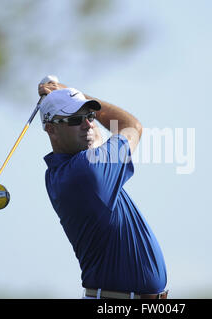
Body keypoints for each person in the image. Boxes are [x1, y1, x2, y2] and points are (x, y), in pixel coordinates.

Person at [38, 80, 168, 299]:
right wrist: (72, 91)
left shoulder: (62, 171)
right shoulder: (87, 170)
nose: (88, 124)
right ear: (51, 129)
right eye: (75, 119)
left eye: (90, 117)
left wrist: (71, 97)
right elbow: (131, 126)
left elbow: (93, 139)